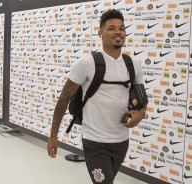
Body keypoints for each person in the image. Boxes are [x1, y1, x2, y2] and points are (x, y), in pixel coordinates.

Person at [47, 9, 146, 184]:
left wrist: (140, 113)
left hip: (121, 141)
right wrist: (53, 136)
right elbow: (63, 99)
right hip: (95, 142)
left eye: (122, 28)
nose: (118, 32)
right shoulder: (85, 64)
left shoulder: (133, 65)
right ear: (100, 32)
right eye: (111, 28)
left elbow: (141, 99)